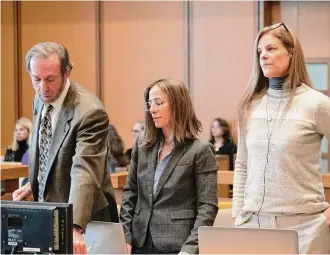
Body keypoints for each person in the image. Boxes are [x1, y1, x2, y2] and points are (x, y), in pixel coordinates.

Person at [233, 22, 330, 254]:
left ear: (292, 53)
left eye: (271, 49)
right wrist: (237, 215)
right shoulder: (250, 106)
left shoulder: (315, 103)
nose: (263, 56)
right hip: (254, 225)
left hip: (304, 227)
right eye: (260, 51)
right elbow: (242, 165)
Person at [12, 42, 118, 254]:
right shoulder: (40, 98)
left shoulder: (90, 112)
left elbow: (85, 170)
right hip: (50, 212)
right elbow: (47, 149)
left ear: (67, 72)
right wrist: (37, 184)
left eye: (50, 79)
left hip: (86, 218)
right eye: (36, 79)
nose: (43, 87)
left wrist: (75, 225)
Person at [119, 78, 218, 254]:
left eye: (159, 103)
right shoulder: (142, 147)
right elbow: (130, 193)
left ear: (178, 105)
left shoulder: (200, 150)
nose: (152, 109)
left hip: (178, 246)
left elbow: (207, 206)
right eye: (150, 104)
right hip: (138, 243)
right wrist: (124, 235)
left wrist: (190, 248)